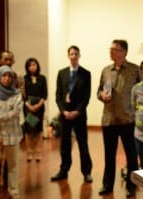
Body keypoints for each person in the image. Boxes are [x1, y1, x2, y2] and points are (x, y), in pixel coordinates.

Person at [97, 39, 140, 197]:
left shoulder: (135, 70)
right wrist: (102, 95)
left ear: (124, 52)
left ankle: (132, 185)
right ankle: (107, 185)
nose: (111, 51)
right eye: (111, 49)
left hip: (128, 119)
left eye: (115, 49)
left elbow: (141, 92)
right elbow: (99, 91)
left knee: (131, 155)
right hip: (109, 119)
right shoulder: (106, 70)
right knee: (109, 155)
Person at [50, 45, 93, 183]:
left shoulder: (86, 73)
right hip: (65, 114)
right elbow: (58, 95)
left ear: (79, 55)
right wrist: (63, 111)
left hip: (79, 115)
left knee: (82, 144)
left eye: (76, 54)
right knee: (65, 144)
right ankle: (63, 170)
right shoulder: (61, 73)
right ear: (68, 56)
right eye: (71, 54)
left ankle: (86, 172)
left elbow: (86, 96)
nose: (73, 56)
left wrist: (77, 112)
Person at [0, 50, 24, 188]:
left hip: (13, 124)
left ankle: (9, 185)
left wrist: (13, 105)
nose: (8, 62)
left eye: (10, 60)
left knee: (11, 160)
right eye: (5, 59)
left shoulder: (18, 76)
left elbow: (21, 95)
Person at [23, 57, 47, 162]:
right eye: (30, 65)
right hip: (28, 107)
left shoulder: (42, 78)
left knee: (38, 129)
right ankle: (29, 152)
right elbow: (23, 95)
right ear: (27, 67)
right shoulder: (24, 79)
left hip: (39, 107)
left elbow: (44, 94)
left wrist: (38, 105)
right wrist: (29, 106)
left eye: (34, 64)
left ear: (37, 66)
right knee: (29, 129)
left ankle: (38, 152)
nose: (32, 67)